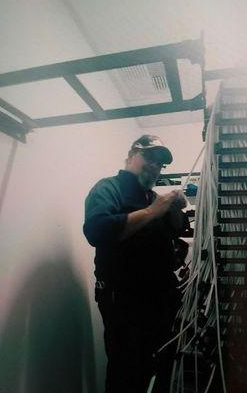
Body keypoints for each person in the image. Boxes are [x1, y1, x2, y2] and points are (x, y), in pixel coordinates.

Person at [83, 135, 189, 393]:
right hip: (125, 302)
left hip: (160, 299)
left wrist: (177, 209)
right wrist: (155, 210)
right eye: (150, 158)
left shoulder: (152, 197)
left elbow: (175, 234)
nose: (155, 166)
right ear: (131, 156)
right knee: (127, 371)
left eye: (160, 164)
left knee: (161, 366)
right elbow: (97, 231)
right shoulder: (109, 188)